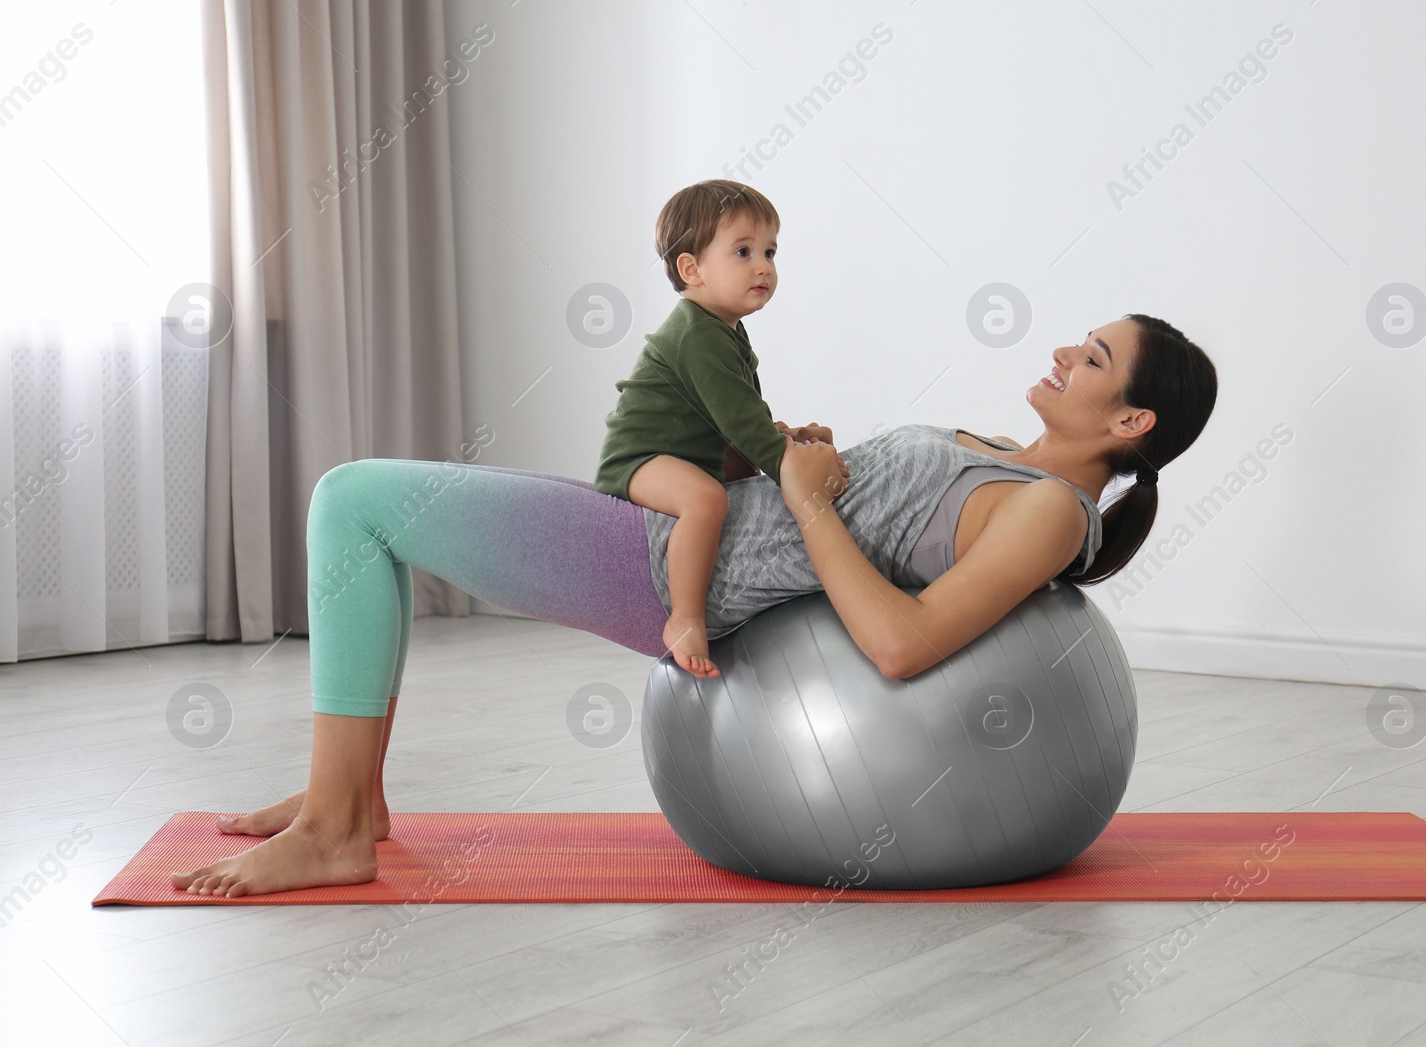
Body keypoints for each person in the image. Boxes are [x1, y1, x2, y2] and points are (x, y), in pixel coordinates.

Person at [172, 313, 1218, 897]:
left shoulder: (1044, 514)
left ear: (1128, 415)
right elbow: (875, 523)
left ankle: (340, 825)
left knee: (353, 502)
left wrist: (810, 502)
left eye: (1088, 358)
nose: (1059, 354)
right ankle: (342, 801)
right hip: (680, 527)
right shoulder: (1003, 458)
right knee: (369, 511)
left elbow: (902, 646)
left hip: (673, 569)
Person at [593, 179, 849, 679]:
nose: (764, 266)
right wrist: (799, 474)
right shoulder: (696, 334)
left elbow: (743, 414)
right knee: (706, 500)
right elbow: (741, 424)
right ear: (692, 269)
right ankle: (686, 618)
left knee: (738, 478)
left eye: (770, 252)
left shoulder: (726, 329)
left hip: (695, 449)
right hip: (641, 460)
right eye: (743, 251)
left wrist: (789, 437)